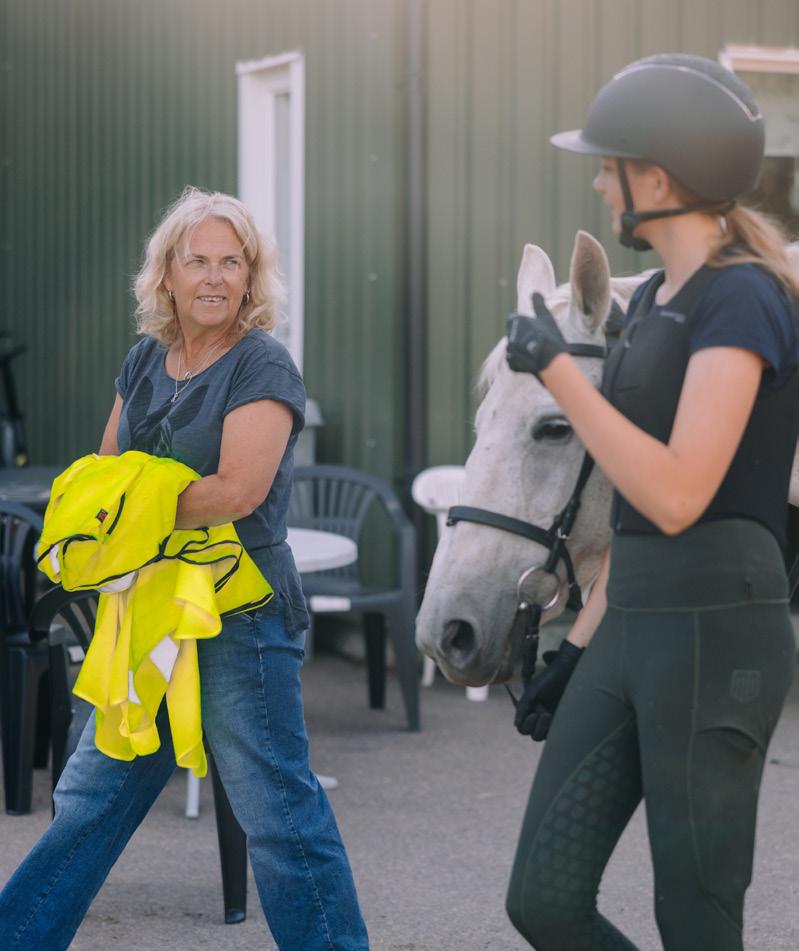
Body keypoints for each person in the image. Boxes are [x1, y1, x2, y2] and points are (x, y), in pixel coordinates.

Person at [0, 186, 370, 951]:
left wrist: (130, 507)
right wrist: (131, 501)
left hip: (239, 616)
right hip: (147, 612)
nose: (213, 277)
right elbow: (105, 472)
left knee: (276, 813)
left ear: (251, 276)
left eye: (231, 262)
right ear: (166, 273)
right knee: (89, 800)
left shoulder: (262, 363)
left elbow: (236, 491)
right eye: (197, 260)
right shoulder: (144, 359)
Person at [503, 54, 799, 951]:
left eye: (609, 167)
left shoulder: (742, 298)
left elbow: (675, 493)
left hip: (718, 627)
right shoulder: (653, 304)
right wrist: (575, 648)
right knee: (543, 899)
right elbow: (634, 514)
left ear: (657, 180)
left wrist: (559, 372)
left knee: (695, 921)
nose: (599, 184)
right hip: (629, 617)